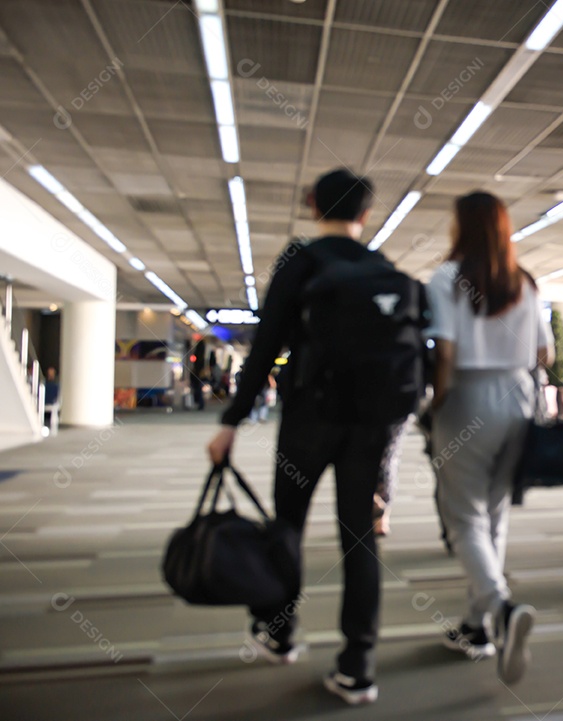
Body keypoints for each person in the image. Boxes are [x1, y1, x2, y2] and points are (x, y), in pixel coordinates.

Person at [208, 168, 400, 706]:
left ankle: (281, 631)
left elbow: (267, 342)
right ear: (364, 214)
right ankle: (358, 666)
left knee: (287, 525)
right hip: (370, 426)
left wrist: (233, 419)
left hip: (310, 419)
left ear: (315, 206)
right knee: (358, 538)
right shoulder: (383, 267)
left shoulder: (302, 260)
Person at [426, 191, 552, 684]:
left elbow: (446, 350)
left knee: (462, 517)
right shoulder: (524, 283)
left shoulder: (447, 278)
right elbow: (546, 352)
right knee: (493, 513)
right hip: (517, 397)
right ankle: (476, 626)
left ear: (462, 228)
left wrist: (435, 405)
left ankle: (500, 610)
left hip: (466, 398)